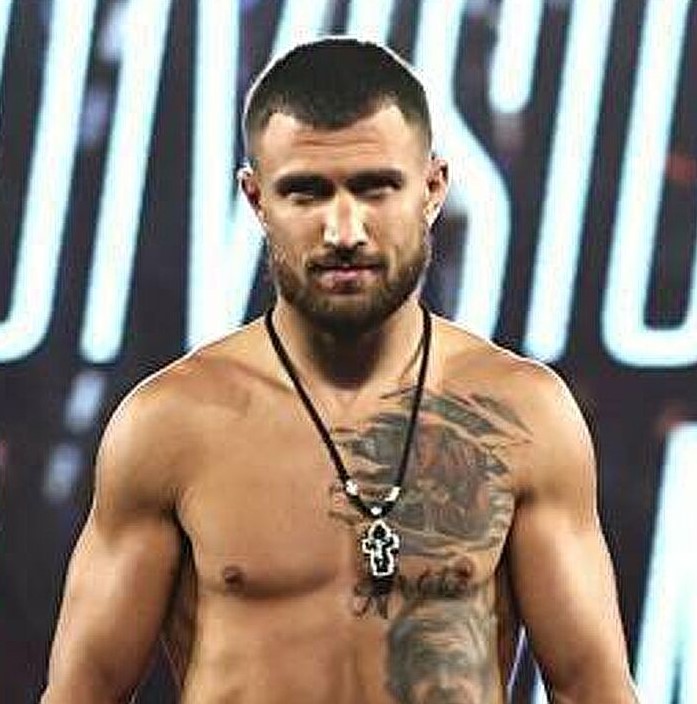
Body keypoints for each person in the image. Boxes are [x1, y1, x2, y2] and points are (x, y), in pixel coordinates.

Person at [41, 38, 638, 703]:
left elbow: (594, 688)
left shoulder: (523, 415)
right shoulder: (172, 423)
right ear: (256, 199)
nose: (344, 230)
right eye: (306, 193)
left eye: (375, 187)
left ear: (432, 189)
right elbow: (80, 693)